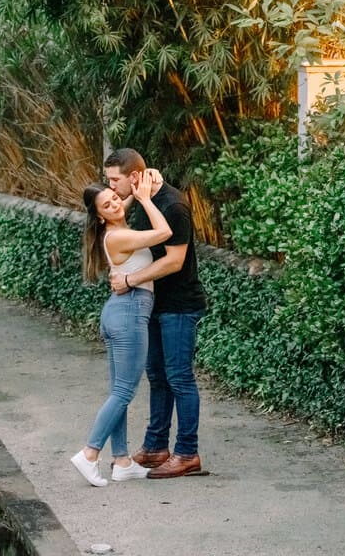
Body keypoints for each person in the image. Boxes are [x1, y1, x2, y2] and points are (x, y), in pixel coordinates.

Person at [105, 147, 207, 479]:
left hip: (178, 305)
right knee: (157, 377)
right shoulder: (142, 200)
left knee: (179, 377)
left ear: (134, 176)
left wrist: (129, 280)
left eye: (114, 180)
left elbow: (175, 261)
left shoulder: (174, 206)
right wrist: (138, 189)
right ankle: (155, 447)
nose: (111, 187)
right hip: (153, 304)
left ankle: (187, 453)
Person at [70, 170, 171, 487]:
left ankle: (123, 461)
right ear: (99, 217)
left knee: (119, 392)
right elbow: (164, 231)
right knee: (125, 392)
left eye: (115, 198)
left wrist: (139, 188)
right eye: (107, 205)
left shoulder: (116, 226)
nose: (115, 204)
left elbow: (122, 201)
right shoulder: (118, 236)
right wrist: (143, 198)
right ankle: (89, 453)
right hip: (129, 313)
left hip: (119, 312)